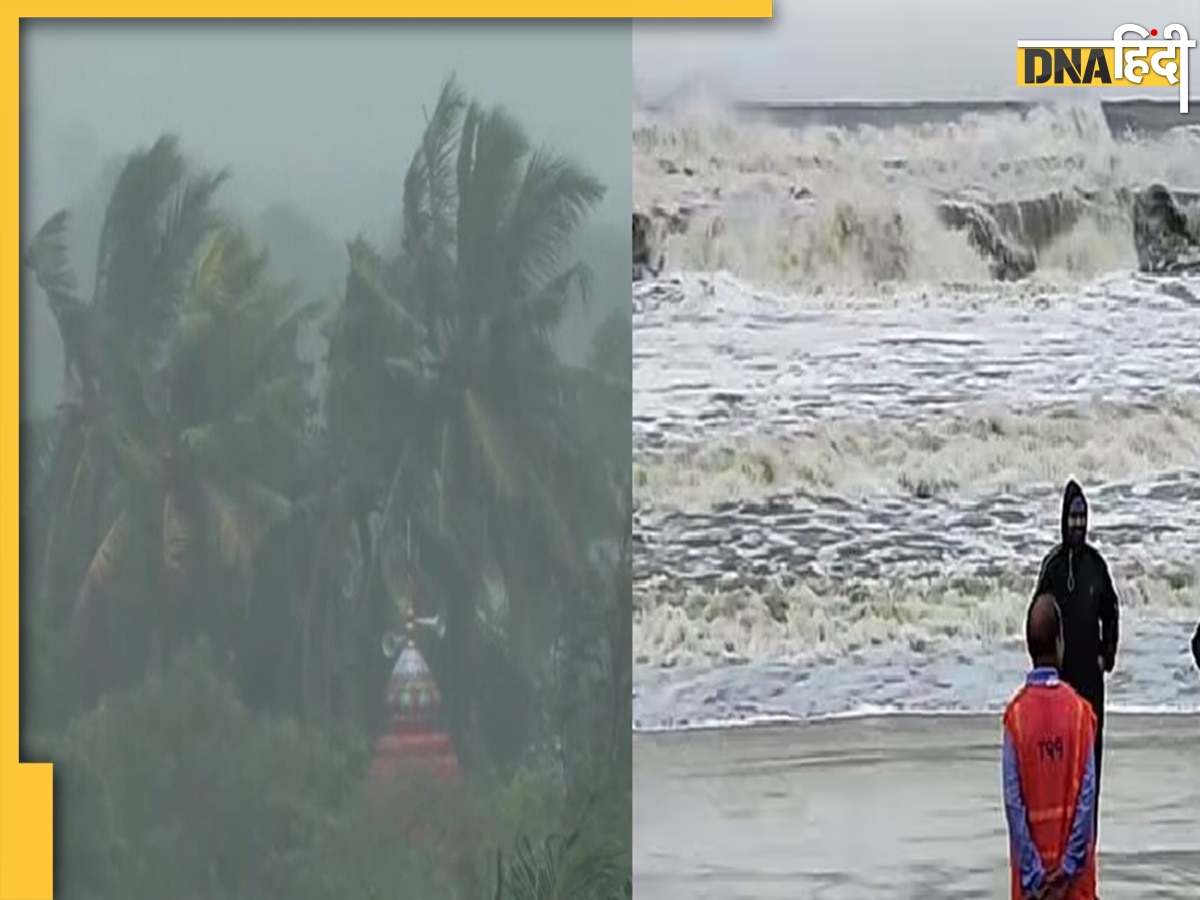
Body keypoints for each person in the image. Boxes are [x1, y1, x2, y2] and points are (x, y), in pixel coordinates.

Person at [1033, 479, 1118, 836]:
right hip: (1061, 685)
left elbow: (1111, 610)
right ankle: (1063, 834)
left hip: (1091, 683)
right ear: (1062, 519)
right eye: (1072, 517)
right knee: (1063, 767)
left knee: (1090, 768)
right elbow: (1036, 618)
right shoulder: (1052, 567)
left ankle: (1089, 841)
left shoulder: (1096, 565)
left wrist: (1106, 655)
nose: (1078, 525)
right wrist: (1043, 670)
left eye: (1082, 517)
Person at [1003, 594, 1098, 900]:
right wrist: (1068, 868)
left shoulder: (1015, 718)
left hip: (1032, 889)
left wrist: (1033, 875)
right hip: (1075, 887)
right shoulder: (1082, 714)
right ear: (1060, 642)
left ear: (1028, 646)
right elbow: (1087, 801)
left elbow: (1013, 804)